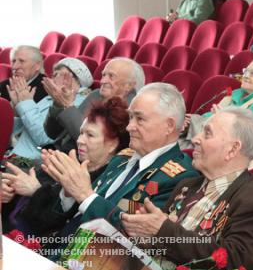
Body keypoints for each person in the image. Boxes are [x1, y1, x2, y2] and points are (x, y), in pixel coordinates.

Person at [122, 107, 253, 270]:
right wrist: (146, 235)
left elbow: (234, 262)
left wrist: (163, 230)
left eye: (207, 134)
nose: (195, 139)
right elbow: (165, 244)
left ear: (232, 149)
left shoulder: (252, 202)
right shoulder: (186, 185)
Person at [42, 83, 197, 234]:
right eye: (130, 117)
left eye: (140, 119)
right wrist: (70, 193)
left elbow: (134, 235)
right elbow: (78, 212)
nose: (129, 127)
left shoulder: (181, 178)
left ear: (169, 125)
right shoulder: (122, 157)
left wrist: (85, 195)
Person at [1, 97, 129, 237]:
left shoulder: (106, 186)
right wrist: (9, 191)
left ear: (112, 145)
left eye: (90, 135)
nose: (80, 140)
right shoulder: (66, 160)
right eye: (81, 133)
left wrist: (36, 191)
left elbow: (53, 227)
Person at [43, 57, 142, 153]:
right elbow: (52, 133)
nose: (103, 81)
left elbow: (92, 142)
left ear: (129, 85)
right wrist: (58, 104)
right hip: (57, 153)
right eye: (103, 75)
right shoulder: (96, 94)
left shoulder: (131, 108)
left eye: (111, 76)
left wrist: (68, 105)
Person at [7, 58, 92, 161]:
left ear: (70, 77)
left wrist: (25, 103)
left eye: (56, 75)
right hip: (13, 154)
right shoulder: (49, 98)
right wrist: (17, 110)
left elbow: (46, 138)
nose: (51, 80)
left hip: (32, 163)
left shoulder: (80, 102)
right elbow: (17, 130)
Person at [192, 59, 253, 134]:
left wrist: (220, 118)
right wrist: (191, 120)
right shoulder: (235, 93)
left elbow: (246, 135)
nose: (245, 76)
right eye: (246, 71)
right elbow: (210, 115)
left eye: (252, 73)